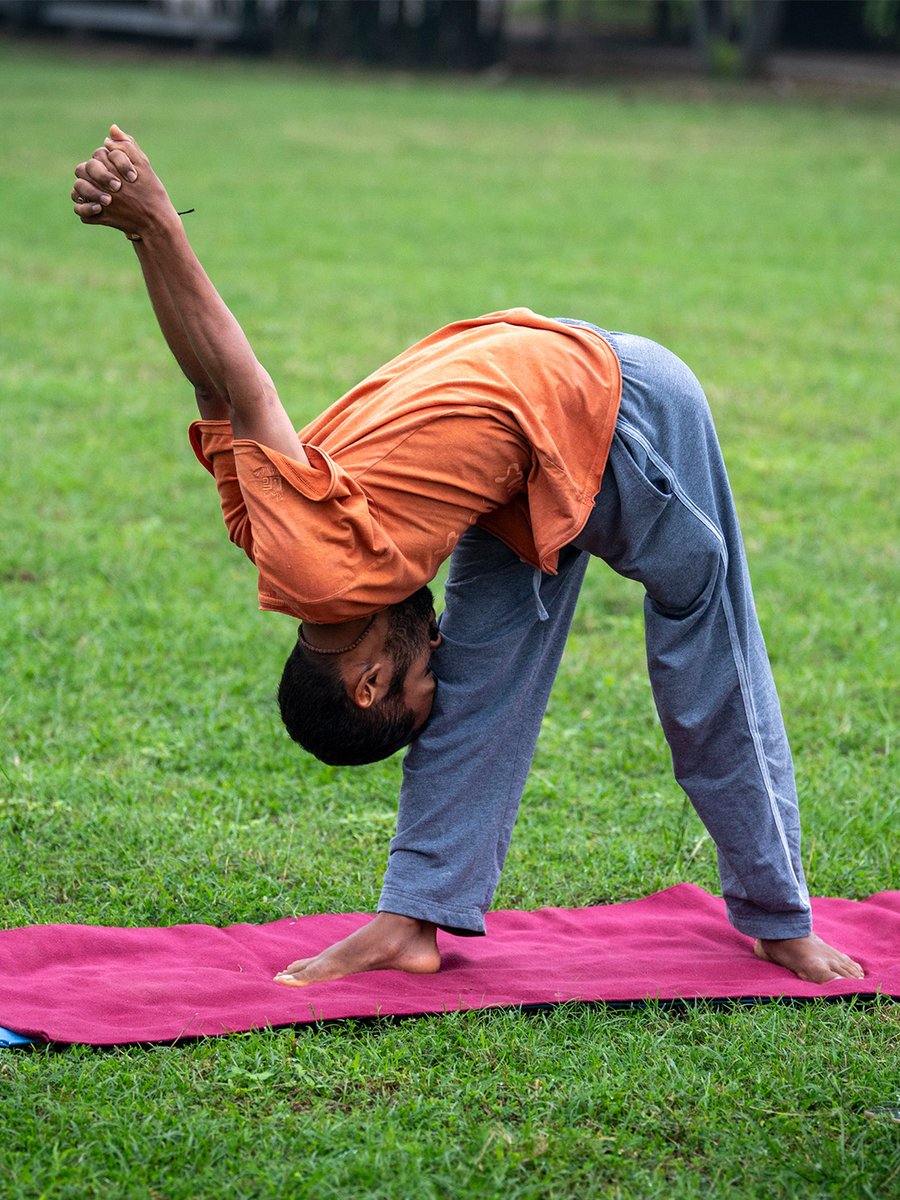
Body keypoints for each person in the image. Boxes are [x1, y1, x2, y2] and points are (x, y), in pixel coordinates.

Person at [72, 127, 864, 989]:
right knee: (485, 689)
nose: (434, 659)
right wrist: (136, 236)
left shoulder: (316, 566)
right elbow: (208, 385)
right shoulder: (271, 540)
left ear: (366, 681)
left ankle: (778, 916)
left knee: (710, 657)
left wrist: (155, 223)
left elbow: (239, 380)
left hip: (625, 411)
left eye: (419, 686)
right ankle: (411, 921)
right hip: (521, 471)